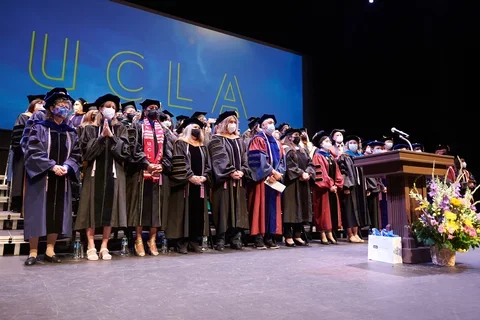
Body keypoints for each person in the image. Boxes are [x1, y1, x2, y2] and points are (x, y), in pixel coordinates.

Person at [23, 88, 81, 265]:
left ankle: (50, 250)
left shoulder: (71, 132)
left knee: (57, 214)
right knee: (37, 213)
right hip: (42, 178)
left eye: (66, 106)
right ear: (50, 108)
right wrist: (51, 166)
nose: (64, 108)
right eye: (60, 105)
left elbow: (77, 154)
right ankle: (33, 252)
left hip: (62, 177)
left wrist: (66, 166)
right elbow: (32, 150)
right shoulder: (39, 128)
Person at [75, 94, 130, 261]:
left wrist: (112, 137)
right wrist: (101, 138)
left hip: (114, 175)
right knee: (90, 208)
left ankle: (104, 246)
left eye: (113, 107)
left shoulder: (121, 129)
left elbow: (125, 152)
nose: (110, 110)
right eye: (108, 106)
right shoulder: (89, 129)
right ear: (100, 109)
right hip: (93, 173)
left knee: (110, 209)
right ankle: (91, 245)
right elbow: (86, 154)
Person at [126, 99, 172, 256]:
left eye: (156, 108)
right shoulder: (137, 127)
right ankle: (138, 239)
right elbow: (134, 148)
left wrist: (162, 165)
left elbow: (169, 151)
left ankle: (152, 240)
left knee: (156, 208)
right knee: (140, 207)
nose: (154, 110)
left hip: (158, 174)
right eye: (151, 108)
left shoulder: (165, 131)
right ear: (144, 111)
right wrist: (147, 164)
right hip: (140, 173)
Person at [166, 117, 211, 253]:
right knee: (182, 212)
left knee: (197, 213)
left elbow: (208, 165)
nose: (196, 130)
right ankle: (181, 242)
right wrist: (190, 177)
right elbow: (179, 162)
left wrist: (204, 177)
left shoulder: (203, 147)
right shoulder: (180, 143)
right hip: (184, 185)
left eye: (198, 128)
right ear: (187, 129)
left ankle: (194, 240)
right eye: (194, 127)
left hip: (200, 185)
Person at [208, 111, 250, 250]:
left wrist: (243, 171)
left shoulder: (240, 140)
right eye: (230, 122)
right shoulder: (216, 139)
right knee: (223, 208)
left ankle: (236, 237)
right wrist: (231, 171)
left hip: (239, 181)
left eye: (234, 122)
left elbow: (246, 158)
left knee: (239, 209)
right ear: (223, 124)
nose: (232, 125)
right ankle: (221, 238)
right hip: (223, 182)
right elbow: (219, 158)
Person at [247, 114, 285, 249]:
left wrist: (278, 173)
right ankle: (258, 238)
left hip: (273, 181)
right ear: (262, 125)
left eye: (273, 122)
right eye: (269, 122)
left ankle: (270, 236)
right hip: (262, 180)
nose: (272, 124)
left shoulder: (277, 142)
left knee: (273, 208)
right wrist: (271, 172)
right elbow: (257, 161)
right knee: (260, 207)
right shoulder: (258, 140)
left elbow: (281, 161)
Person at [9, 94, 45, 212]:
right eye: (39, 103)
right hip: (23, 153)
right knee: (20, 177)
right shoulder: (24, 117)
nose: (42, 105)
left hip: (37, 154)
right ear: (32, 105)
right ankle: (17, 203)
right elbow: (17, 136)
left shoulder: (44, 119)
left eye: (43, 103)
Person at [281, 128, 315, 247]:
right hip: (291, 183)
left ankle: (297, 235)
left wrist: (308, 173)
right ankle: (288, 236)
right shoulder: (286, 149)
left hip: (303, 183)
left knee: (302, 209)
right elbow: (289, 165)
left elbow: (310, 163)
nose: (298, 137)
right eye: (295, 135)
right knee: (291, 210)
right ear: (289, 136)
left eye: (299, 135)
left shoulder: (303, 150)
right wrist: (301, 173)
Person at [311, 133, 344, 245]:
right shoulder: (317, 156)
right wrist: (330, 185)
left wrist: (337, 185)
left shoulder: (330, 156)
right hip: (322, 189)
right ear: (321, 144)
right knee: (323, 212)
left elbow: (338, 172)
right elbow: (321, 174)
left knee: (330, 212)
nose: (329, 143)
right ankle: (322, 234)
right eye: (326, 141)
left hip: (332, 189)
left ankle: (330, 233)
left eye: (329, 141)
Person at [338, 135, 370, 243]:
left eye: (355, 143)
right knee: (349, 211)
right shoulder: (344, 156)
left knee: (357, 211)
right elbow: (343, 172)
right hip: (350, 187)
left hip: (359, 188)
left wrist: (366, 187)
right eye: (351, 142)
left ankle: (356, 234)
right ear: (347, 144)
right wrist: (346, 186)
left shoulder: (360, 156)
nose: (353, 145)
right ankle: (350, 234)